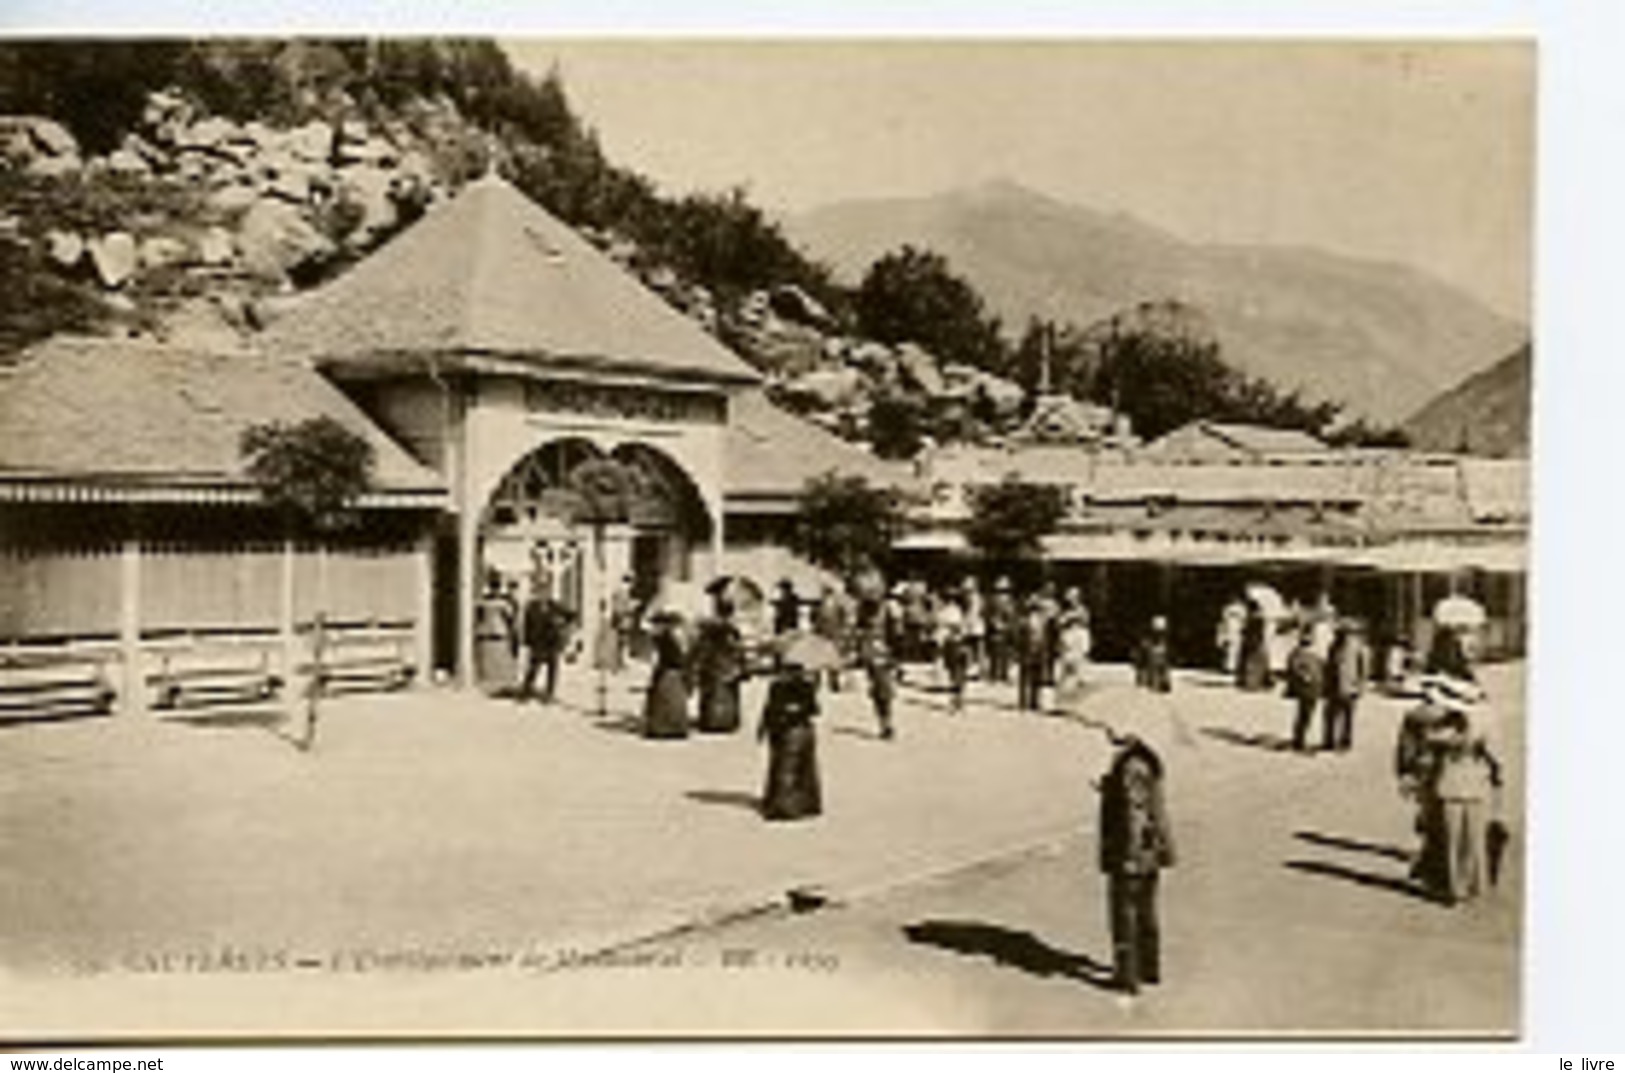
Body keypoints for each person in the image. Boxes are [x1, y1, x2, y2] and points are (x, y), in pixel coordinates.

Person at [1097, 726, 1176, 998]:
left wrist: (1129, 855)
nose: (1107, 732)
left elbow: (1134, 815)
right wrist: (1109, 788)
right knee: (1146, 909)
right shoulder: (1147, 761)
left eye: (1112, 728)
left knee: (1123, 912)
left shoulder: (1130, 766)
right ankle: (1149, 967)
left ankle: (1127, 974)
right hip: (1151, 850)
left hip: (1132, 850)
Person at [1427, 685, 1502, 905]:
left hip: (1449, 787)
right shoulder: (1482, 730)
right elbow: (1495, 758)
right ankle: (1474, 886)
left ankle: (1454, 889)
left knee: (1453, 840)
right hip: (1475, 787)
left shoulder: (1442, 730)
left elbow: (1431, 742)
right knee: (1474, 839)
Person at [758, 656, 823, 820]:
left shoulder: (795, 686)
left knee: (786, 767)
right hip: (794, 730)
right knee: (794, 767)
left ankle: (783, 804)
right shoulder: (780, 687)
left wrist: (764, 727)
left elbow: (813, 709)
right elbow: (769, 708)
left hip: (792, 730)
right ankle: (798, 803)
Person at [692, 597, 746, 734]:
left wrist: (698, 662)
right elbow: (737, 649)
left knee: (712, 692)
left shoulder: (710, 627)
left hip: (713, 663)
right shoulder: (731, 629)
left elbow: (703, 646)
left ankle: (712, 721)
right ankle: (726, 721)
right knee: (727, 692)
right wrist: (741, 664)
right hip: (727, 664)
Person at [519, 577, 575, 704]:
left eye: (546, 591)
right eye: (541, 592)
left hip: (552, 641)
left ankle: (549, 694)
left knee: (552, 669)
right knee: (533, 668)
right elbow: (527, 625)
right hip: (538, 642)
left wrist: (564, 626)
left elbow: (571, 615)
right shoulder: (531, 607)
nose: (543, 594)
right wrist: (526, 641)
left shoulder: (554, 605)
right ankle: (526, 692)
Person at [641, 610, 691, 739]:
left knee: (664, 700)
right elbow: (679, 656)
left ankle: (664, 727)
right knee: (671, 700)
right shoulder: (669, 637)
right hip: (672, 672)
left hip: (666, 672)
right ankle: (672, 727)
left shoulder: (663, 637)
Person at [1322, 620, 1370, 752]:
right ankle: (1329, 741)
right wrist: (1326, 684)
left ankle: (1345, 742)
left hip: (1350, 687)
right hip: (1334, 686)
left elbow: (1363, 669)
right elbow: (1328, 666)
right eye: (1339, 633)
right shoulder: (1333, 646)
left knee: (1348, 718)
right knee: (1330, 715)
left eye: (1344, 633)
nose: (1340, 635)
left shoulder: (1358, 647)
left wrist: (1361, 686)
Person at [474, 570, 519, 696]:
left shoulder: (484, 602)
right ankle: (498, 687)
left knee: (493, 663)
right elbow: (511, 619)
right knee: (497, 663)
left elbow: (479, 618)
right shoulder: (503, 603)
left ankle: (494, 687)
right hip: (497, 634)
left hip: (489, 634)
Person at [857, 600, 897, 740]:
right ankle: (885, 722)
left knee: (882, 691)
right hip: (875, 654)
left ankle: (885, 722)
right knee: (880, 691)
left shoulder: (885, 612)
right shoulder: (866, 611)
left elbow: (893, 634)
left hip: (879, 654)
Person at [1284, 629, 1326, 752]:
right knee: (1304, 715)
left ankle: (1301, 739)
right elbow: (1294, 668)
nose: (1309, 641)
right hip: (1304, 688)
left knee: (1307, 715)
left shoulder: (1314, 653)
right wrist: (1304, 676)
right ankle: (1299, 740)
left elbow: (1321, 667)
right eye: (1307, 639)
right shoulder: (1297, 653)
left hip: (1314, 688)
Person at [1052, 603, 1094, 713]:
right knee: (1063, 679)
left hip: (1076, 655)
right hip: (1068, 655)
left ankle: (1071, 704)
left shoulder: (1082, 632)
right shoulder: (1066, 632)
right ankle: (1061, 704)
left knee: (1075, 680)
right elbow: (1061, 643)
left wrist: (1083, 654)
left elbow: (1085, 646)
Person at [811, 582, 851, 693]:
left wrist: (843, 631)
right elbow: (814, 617)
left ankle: (834, 683)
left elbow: (844, 618)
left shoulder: (838, 605)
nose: (824, 594)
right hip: (821, 634)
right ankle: (816, 683)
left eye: (826, 592)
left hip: (834, 634)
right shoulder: (819, 604)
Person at [936, 593, 969, 713]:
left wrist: (949, 629)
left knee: (955, 673)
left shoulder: (951, 612)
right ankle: (958, 699)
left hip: (953, 643)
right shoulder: (950, 611)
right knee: (954, 672)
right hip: (950, 643)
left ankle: (956, 699)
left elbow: (958, 627)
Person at [1015, 596, 1048, 713]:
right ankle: (1023, 701)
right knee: (1025, 677)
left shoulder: (1042, 621)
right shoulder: (1024, 621)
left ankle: (1034, 701)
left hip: (1038, 650)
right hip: (1028, 650)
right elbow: (1019, 638)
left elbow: (1044, 637)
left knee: (1036, 677)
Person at [984, 576, 1017, 685]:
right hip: (996, 628)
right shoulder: (992, 600)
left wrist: (1009, 625)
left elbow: (1013, 615)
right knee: (995, 651)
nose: (1003, 593)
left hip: (1007, 628)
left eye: (1005, 590)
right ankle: (994, 674)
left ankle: (1004, 674)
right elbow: (988, 614)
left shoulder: (1011, 601)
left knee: (1006, 652)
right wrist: (994, 623)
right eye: (1001, 590)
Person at [1236, 598, 1271, 691]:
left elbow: (1252, 631)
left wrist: (1244, 631)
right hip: (1258, 642)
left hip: (1253, 641)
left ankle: (1250, 683)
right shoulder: (1260, 617)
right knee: (1259, 663)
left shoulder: (1254, 618)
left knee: (1251, 663)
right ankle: (1259, 682)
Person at [1134, 615, 1173, 694]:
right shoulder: (1148, 643)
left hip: (1157, 656)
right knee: (1155, 662)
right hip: (1153, 656)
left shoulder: (1161, 642)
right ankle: (1154, 680)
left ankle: (1160, 681)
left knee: (1160, 663)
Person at [1216, 599, 1247, 675]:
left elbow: (1244, 619)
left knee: (1235, 649)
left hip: (1236, 629)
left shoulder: (1240, 608)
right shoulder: (1230, 608)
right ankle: (1229, 667)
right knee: (1229, 649)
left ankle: (1232, 667)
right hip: (1230, 629)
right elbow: (1224, 619)